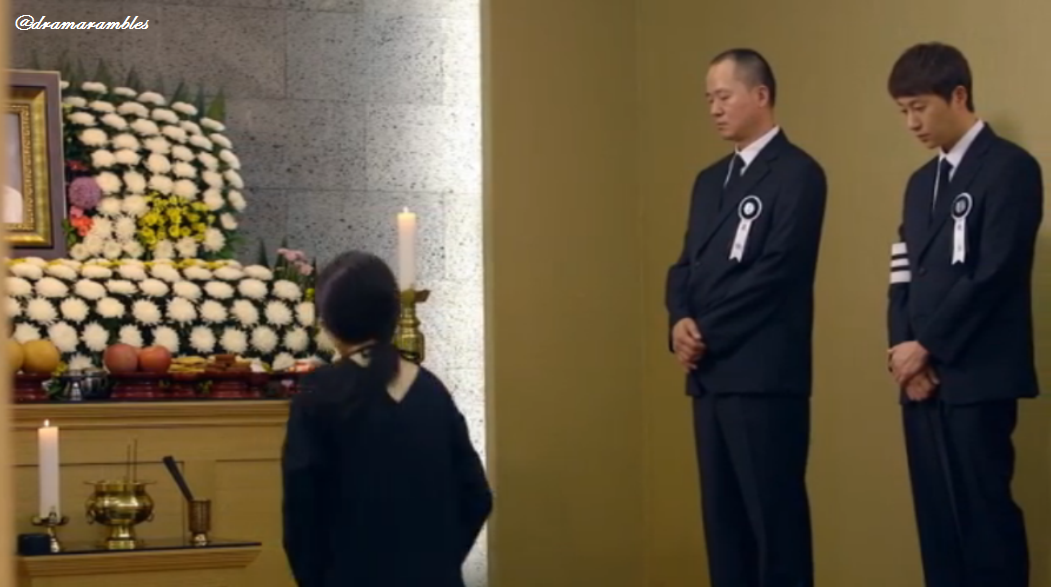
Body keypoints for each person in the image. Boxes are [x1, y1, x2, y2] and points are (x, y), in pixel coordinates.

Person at [665, 48, 827, 587]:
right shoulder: (710, 180)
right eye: (708, 99)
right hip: (709, 375)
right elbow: (685, 266)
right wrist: (679, 320)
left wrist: (707, 330)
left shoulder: (798, 173)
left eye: (724, 96)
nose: (714, 109)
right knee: (724, 526)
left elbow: (777, 273)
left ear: (761, 95)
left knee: (773, 526)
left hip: (763, 377)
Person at [886, 42, 1041, 587]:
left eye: (919, 107)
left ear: (958, 95)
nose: (912, 123)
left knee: (984, 520)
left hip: (978, 375)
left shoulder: (1011, 168)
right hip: (919, 380)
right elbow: (902, 276)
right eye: (903, 110)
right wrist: (903, 353)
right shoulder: (918, 184)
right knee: (938, 525)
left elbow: (995, 272)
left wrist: (927, 346)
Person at [281, 250, 492, 587]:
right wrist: (438, 560)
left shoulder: (320, 392)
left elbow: (302, 511)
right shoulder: (431, 390)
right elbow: (476, 495)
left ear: (329, 320)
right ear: (392, 313)